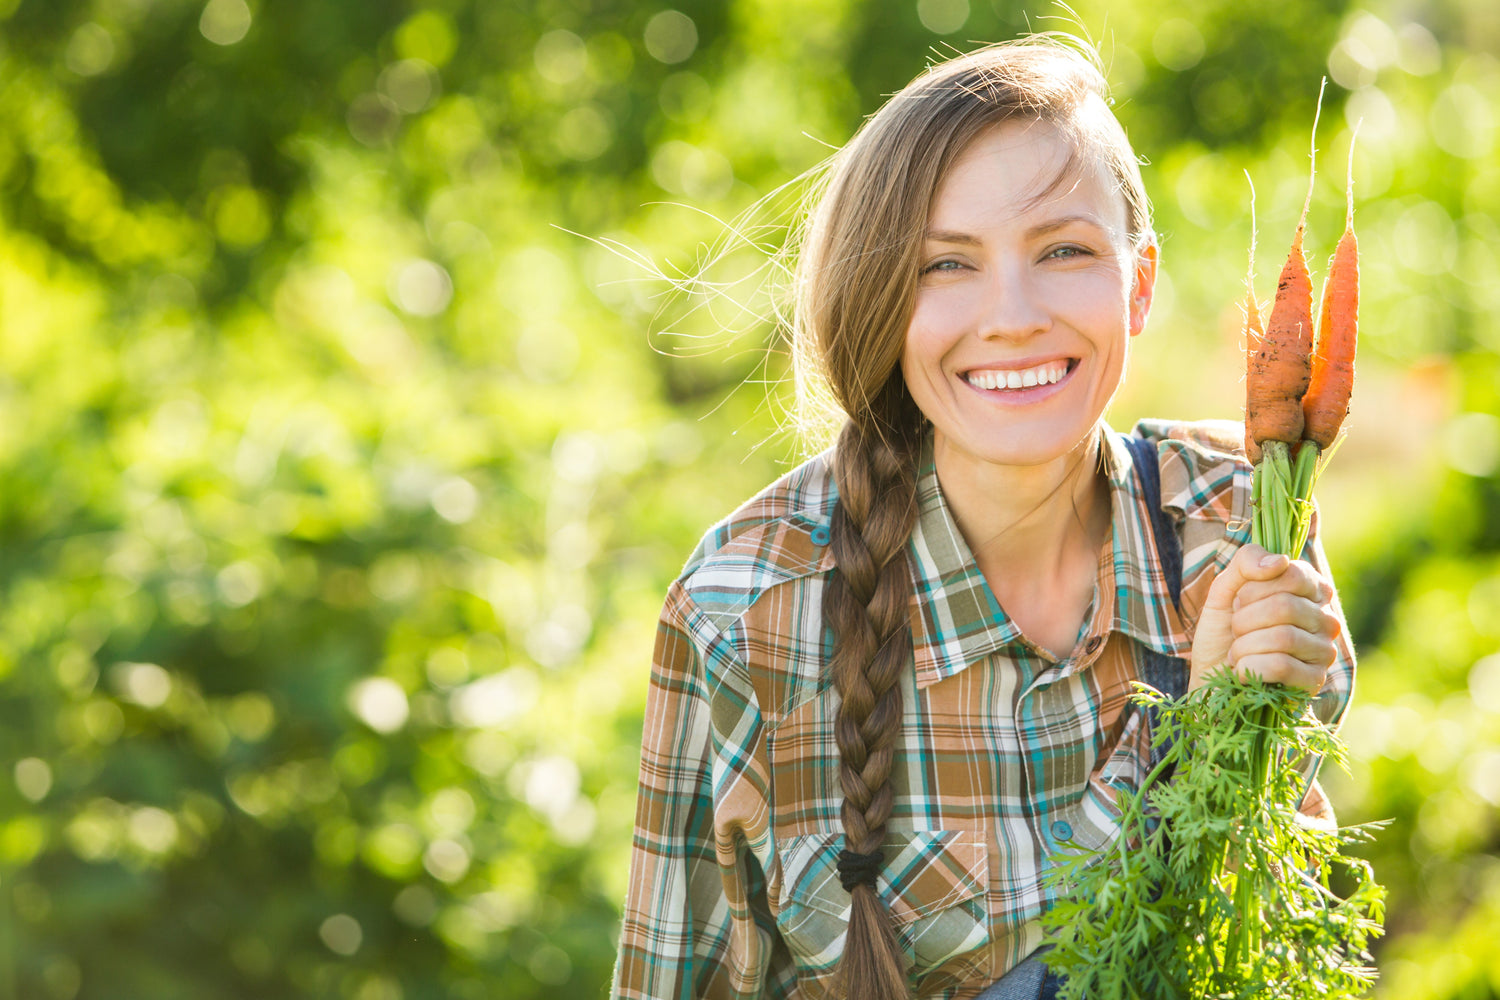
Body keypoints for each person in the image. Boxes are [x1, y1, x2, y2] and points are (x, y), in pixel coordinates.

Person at [610, 36, 1353, 1000]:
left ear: (1138, 284)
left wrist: (1266, 725)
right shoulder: (748, 614)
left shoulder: (1239, 519)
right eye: (947, 265)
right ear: (879, 301)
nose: (1012, 314)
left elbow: (1274, 921)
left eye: (1063, 251)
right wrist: (1185, 735)